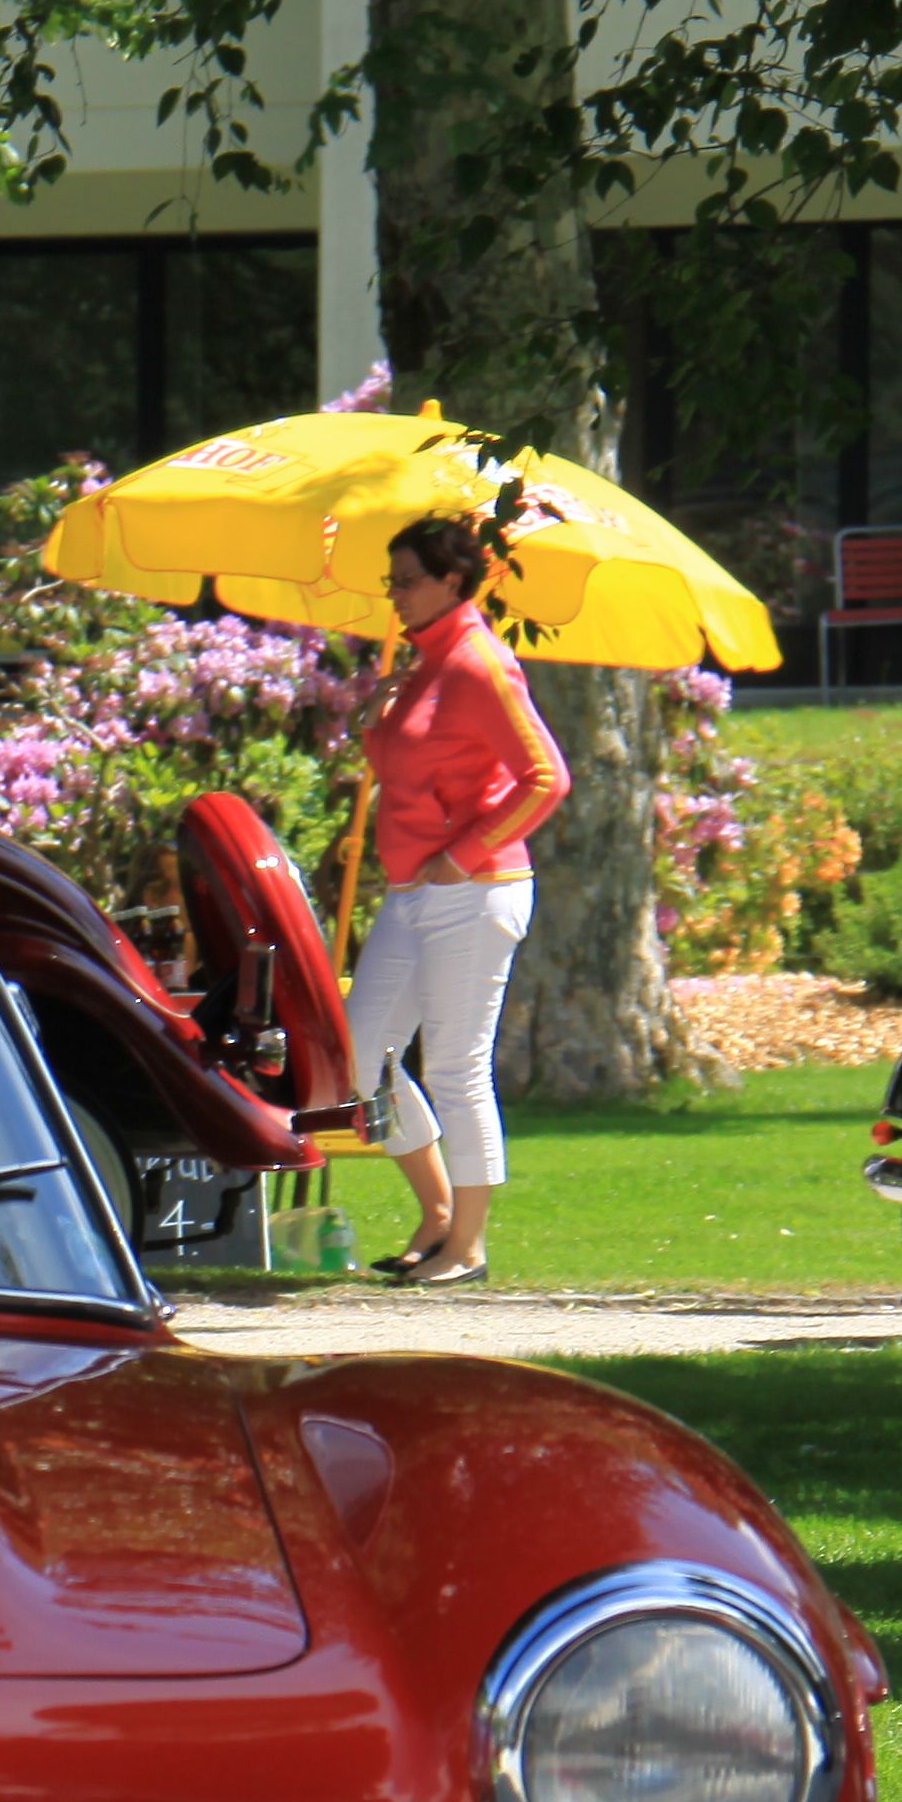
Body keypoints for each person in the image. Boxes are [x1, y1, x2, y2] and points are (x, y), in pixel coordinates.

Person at [347, 512, 571, 1288]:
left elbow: (547, 778)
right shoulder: (425, 663)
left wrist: (463, 853)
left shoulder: (480, 662)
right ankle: (438, 1215)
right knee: (358, 1054)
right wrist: (377, 717)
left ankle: (469, 1245)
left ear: (452, 580)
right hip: (414, 891)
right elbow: (410, 766)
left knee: (454, 1066)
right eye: (392, 582)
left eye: (408, 581)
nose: (397, 595)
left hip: (476, 893)